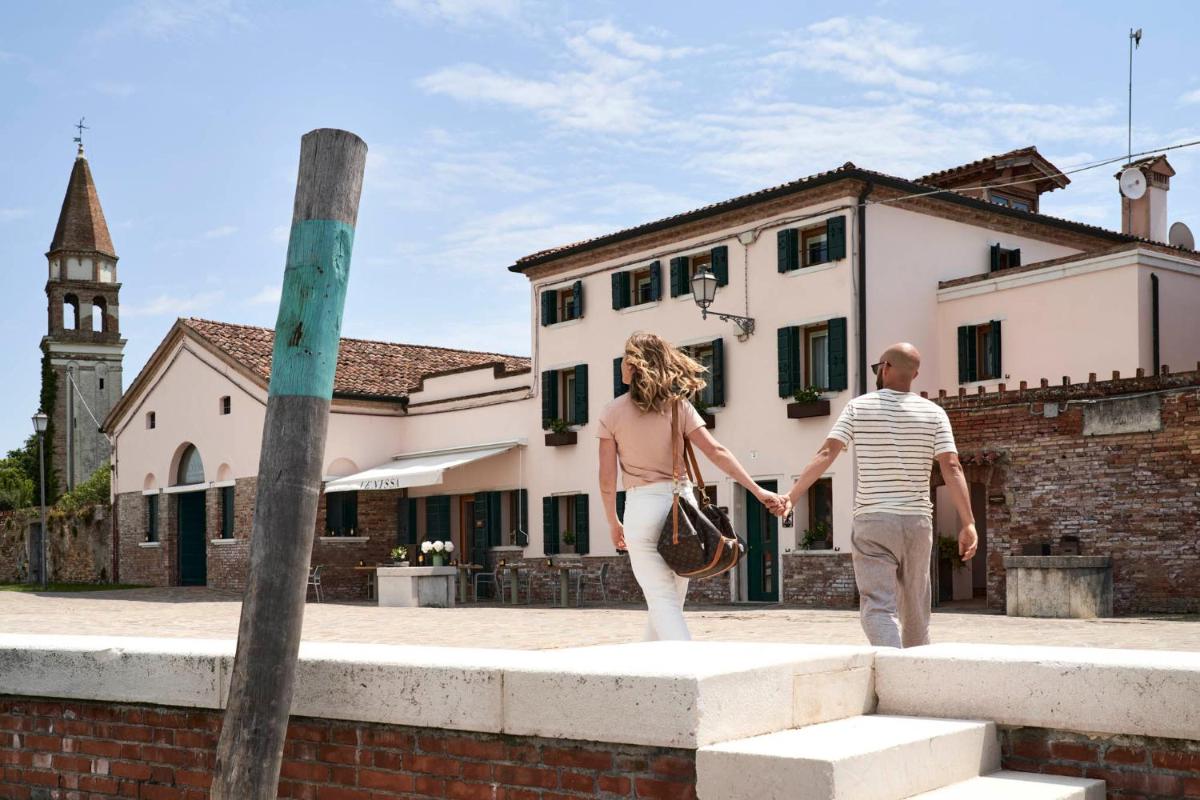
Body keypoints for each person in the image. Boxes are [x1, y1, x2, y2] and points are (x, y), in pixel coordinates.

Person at [774, 342, 977, 648]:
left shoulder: (859, 407)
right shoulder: (935, 413)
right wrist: (968, 523)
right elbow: (952, 466)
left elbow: (827, 453)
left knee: (878, 605)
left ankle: (891, 664)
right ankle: (913, 669)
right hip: (917, 522)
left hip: (874, 521)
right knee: (916, 607)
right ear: (915, 375)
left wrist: (792, 496)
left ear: (885, 368)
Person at [598, 332, 788, 641]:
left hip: (641, 509)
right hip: (682, 508)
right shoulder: (678, 406)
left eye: (624, 358)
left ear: (632, 364)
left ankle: (688, 665)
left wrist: (612, 521)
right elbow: (716, 451)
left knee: (662, 600)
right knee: (668, 602)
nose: (620, 364)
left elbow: (606, 478)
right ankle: (650, 666)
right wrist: (757, 490)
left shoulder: (612, 412)